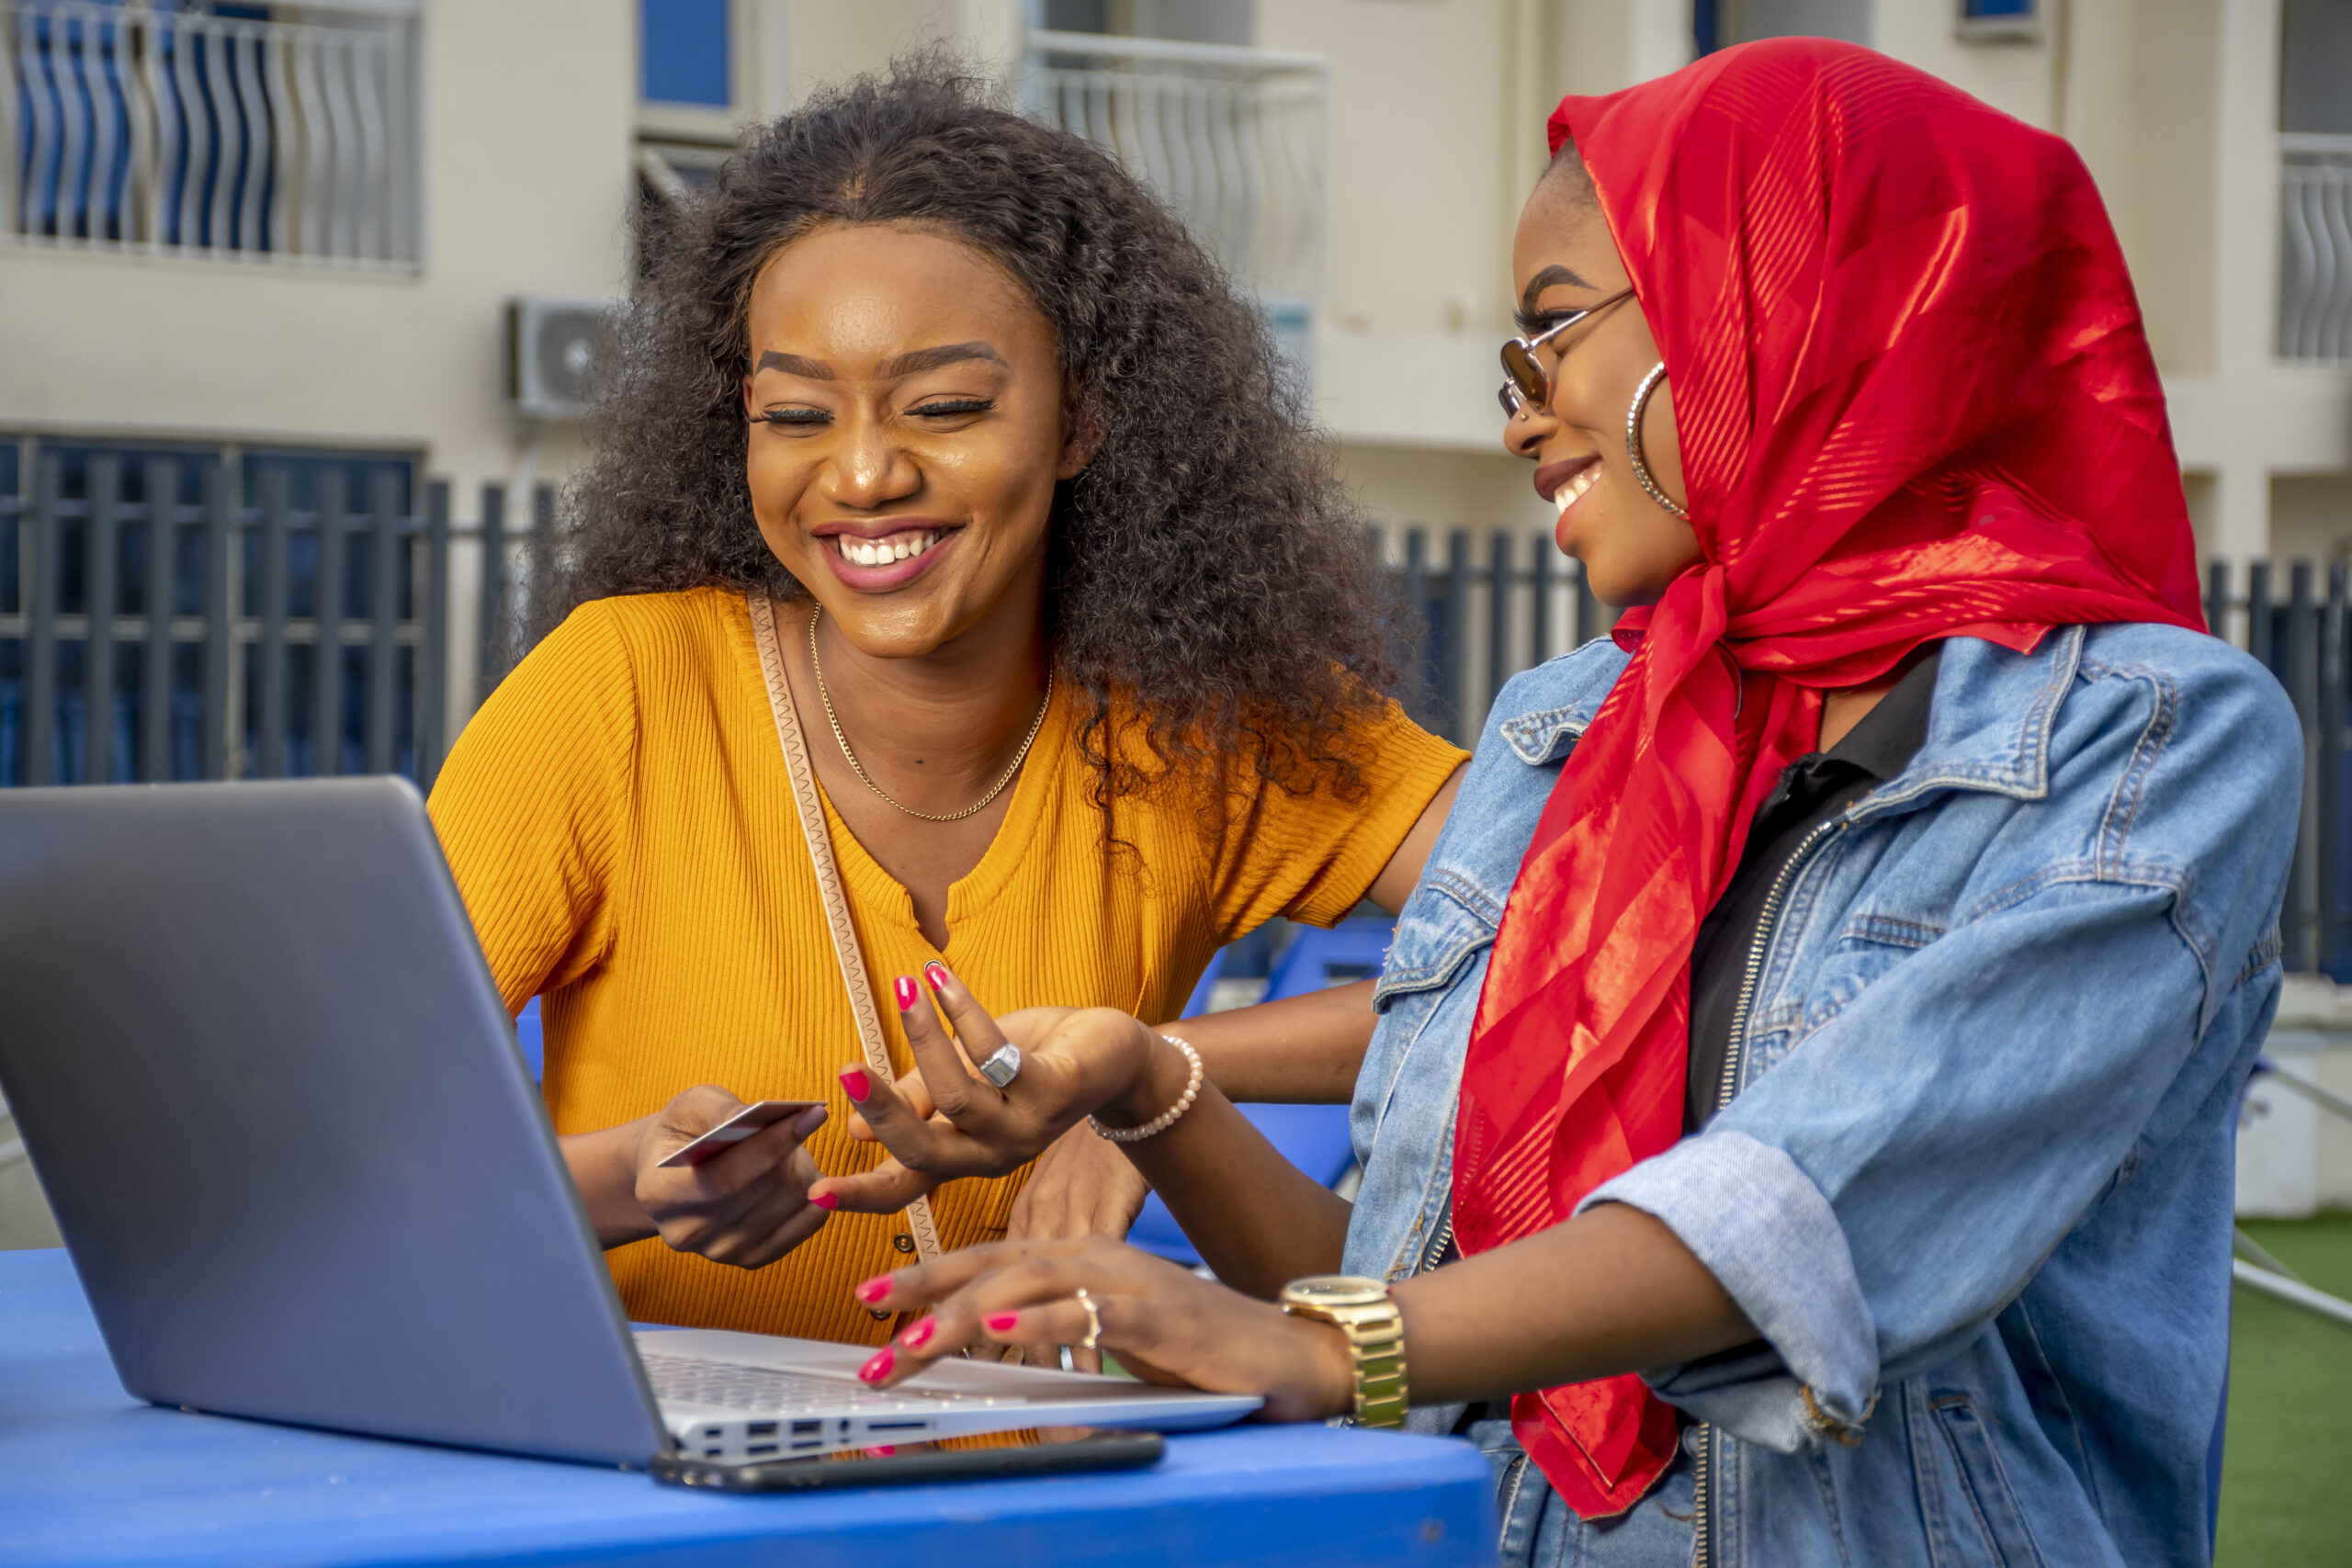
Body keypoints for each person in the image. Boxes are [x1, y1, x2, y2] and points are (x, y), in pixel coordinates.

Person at [820, 39, 2301, 1568]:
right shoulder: (1570, 730)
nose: (1520, 419)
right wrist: (1154, 1088)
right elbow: (1433, 1300)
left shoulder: (2150, 738)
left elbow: (1813, 1213)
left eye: (1551, 336)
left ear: (1772, 301)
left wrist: (1334, 1347)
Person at [426, 60, 1465, 1349]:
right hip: (672, 1499)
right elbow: (356, 1132)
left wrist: (1150, 1074)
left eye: (946, 407)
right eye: (796, 413)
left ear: (1082, 417)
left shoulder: (1207, 722)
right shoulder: (619, 689)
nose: (860, 472)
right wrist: (625, 1182)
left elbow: (1597, 946)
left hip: (1040, 1497)